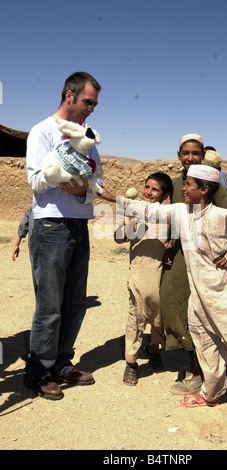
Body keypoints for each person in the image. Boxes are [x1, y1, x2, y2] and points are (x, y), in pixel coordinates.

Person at [99, 164, 227, 431]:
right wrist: (105, 196)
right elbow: (146, 209)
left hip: (224, 291)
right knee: (204, 342)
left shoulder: (222, 215)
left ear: (204, 189)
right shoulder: (180, 212)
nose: (183, 188)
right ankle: (212, 392)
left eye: (188, 185)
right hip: (198, 293)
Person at [25, 71, 103, 400]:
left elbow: (97, 184)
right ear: (70, 96)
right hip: (50, 226)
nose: (92, 109)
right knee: (49, 306)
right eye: (88, 102)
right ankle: (39, 370)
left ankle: (62, 363)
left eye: (95, 104)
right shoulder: (43, 131)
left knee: (75, 303)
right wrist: (60, 172)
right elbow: (35, 181)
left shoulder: (88, 137)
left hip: (79, 224)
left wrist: (85, 187)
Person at [160, 133, 227, 397]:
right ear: (178, 156)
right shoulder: (174, 184)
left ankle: (201, 372)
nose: (190, 158)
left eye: (196, 153)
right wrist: (170, 243)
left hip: (205, 258)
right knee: (177, 304)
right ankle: (195, 363)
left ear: (203, 155)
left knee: (204, 312)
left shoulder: (210, 181)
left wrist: (225, 252)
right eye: (186, 153)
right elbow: (169, 215)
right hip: (182, 255)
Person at [116, 172, 173, 385]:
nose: (149, 192)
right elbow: (119, 238)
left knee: (159, 316)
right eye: (147, 187)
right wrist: (132, 221)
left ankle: (153, 348)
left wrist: (170, 245)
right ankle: (131, 362)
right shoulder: (136, 211)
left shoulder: (168, 215)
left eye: (155, 189)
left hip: (161, 274)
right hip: (139, 272)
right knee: (136, 315)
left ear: (165, 195)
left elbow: (174, 239)